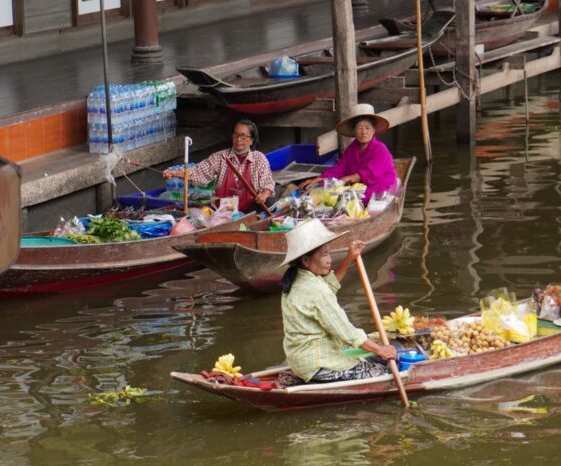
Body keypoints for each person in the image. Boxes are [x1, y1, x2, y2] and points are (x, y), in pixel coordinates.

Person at [280, 219, 396, 383]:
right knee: (385, 371)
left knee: (370, 357)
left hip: (300, 360)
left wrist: (350, 258)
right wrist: (381, 350)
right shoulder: (316, 291)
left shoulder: (296, 280)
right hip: (318, 364)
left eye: (329, 253)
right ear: (306, 260)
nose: (329, 260)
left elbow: (330, 285)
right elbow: (346, 332)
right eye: (324, 255)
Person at [163, 119, 275, 213]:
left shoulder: (259, 159)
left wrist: (264, 194)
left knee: (270, 203)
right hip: (222, 210)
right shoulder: (221, 157)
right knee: (197, 210)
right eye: (235, 135)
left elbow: (268, 183)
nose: (238, 139)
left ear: (251, 140)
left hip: (249, 210)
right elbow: (199, 172)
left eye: (243, 136)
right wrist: (175, 173)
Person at [299, 104, 397, 204]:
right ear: (354, 131)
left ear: (373, 130)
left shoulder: (380, 149)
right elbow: (341, 167)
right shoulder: (352, 148)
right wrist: (320, 178)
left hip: (379, 186)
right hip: (360, 185)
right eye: (359, 128)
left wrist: (348, 178)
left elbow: (370, 173)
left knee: (349, 198)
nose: (363, 132)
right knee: (331, 194)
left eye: (367, 128)